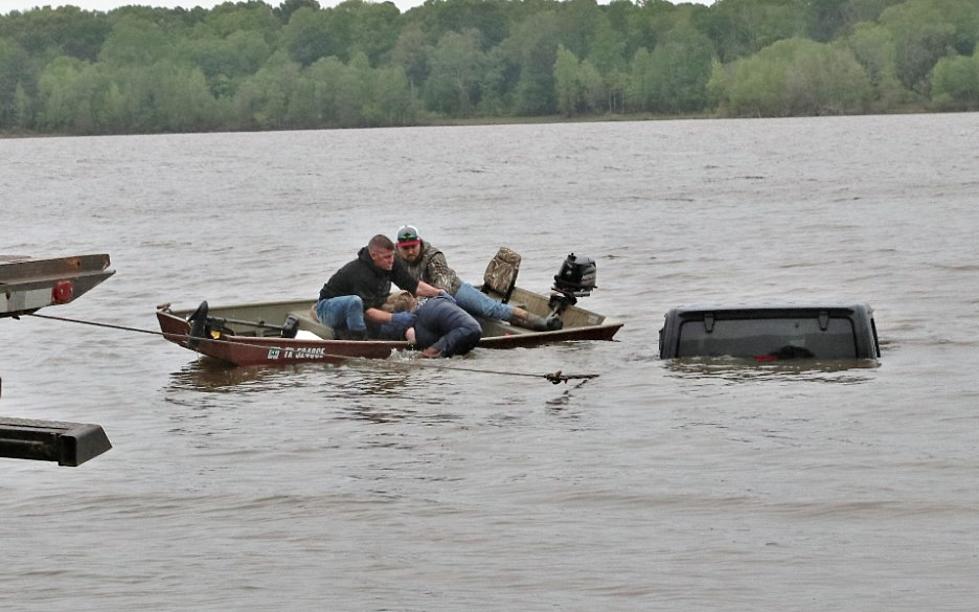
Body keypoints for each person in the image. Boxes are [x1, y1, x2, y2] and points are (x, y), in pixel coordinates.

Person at [394, 225, 556, 331]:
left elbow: (443, 289)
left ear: (419, 243)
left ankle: (535, 320)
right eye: (405, 248)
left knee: (490, 309)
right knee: (478, 319)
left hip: (453, 290)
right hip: (426, 300)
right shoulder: (393, 259)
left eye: (413, 247)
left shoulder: (433, 257)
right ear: (398, 247)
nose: (410, 252)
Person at [316, 234, 442, 339]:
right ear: (374, 256)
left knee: (404, 300)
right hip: (328, 308)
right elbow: (367, 311)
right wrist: (395, 318)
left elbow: (414, 286)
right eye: (387, 257)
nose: (391, 260)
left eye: (392, 255)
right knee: (355, 303)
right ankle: (357, 340)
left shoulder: (391, 263)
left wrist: (438, 293)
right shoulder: (359, 273)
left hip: (367, 305)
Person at [380, 291, 481, 358]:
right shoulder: (433, 301)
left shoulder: (415, 322)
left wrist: (429, 350)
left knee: (424, 356)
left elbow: (412, 341)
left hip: (467, 330)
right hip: (472, 329)